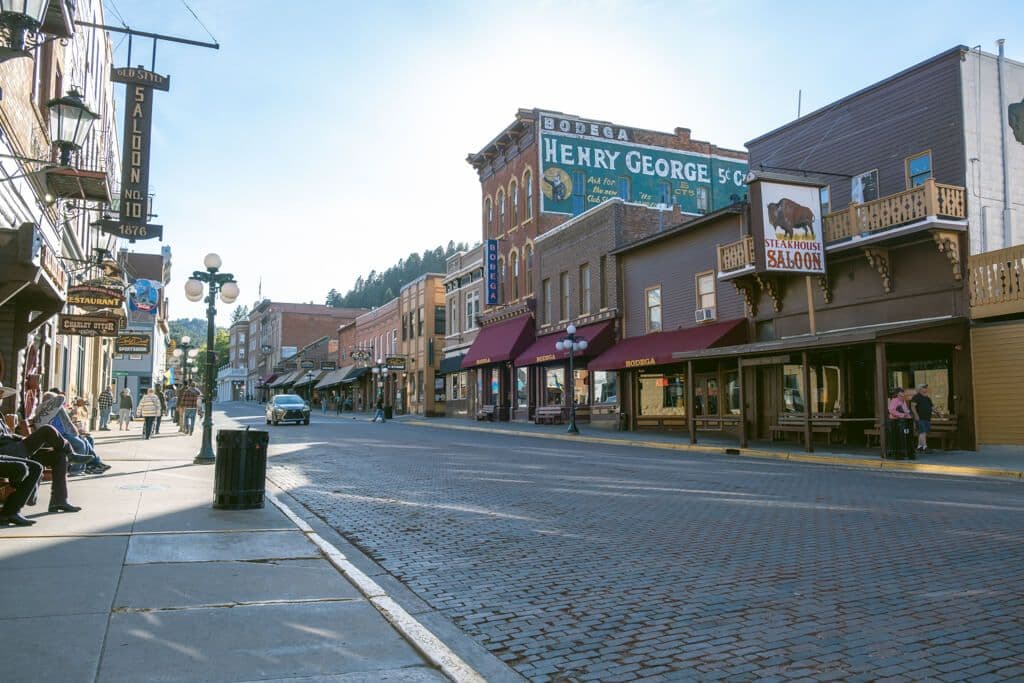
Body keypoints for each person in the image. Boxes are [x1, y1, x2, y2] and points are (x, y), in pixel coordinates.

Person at [0, 383, 82, 523]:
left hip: (15, 449)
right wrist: (23, 439)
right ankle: (71, 453)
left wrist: (23, 438)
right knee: (47, 430)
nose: (0, 398)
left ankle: (59, 500)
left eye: (1, 395)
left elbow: (8, 435)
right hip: (8, 452)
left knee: (58, 456)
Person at [33, 392, 110, 474]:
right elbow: (53, 428)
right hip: (57, 437)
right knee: (80, 444)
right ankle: (77, 469)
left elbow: (67, 424)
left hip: (64, 434)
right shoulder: (43, 412)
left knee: (87, 440)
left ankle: (90, 465)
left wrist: (77, 430)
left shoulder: (56, 411)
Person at [886, 387, 914, 460]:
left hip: (903, 422)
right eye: (902, 392)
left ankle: (906, 452)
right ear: (898, 393)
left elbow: (906, 410)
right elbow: (891, 410)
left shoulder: (903, 401)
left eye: (903, 391)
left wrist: (908, 415)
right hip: (895, 422)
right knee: (897, 438)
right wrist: (902, 415)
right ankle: (898, 452)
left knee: (904, 438)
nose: (903, 393)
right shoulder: (895, 400)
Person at [910, 383, 939, 454]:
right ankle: (925, 447)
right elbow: (913, 407)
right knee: (923, 432)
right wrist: (916, 415)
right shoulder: (916, 397)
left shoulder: (928, 398)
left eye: (926, 388)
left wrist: (937, 412)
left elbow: (932, 408)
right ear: (919, 389)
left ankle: (919, 447)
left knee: (922, 432)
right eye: (923, 387)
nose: (925, 389)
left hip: (927, 418)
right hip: (920, 418)